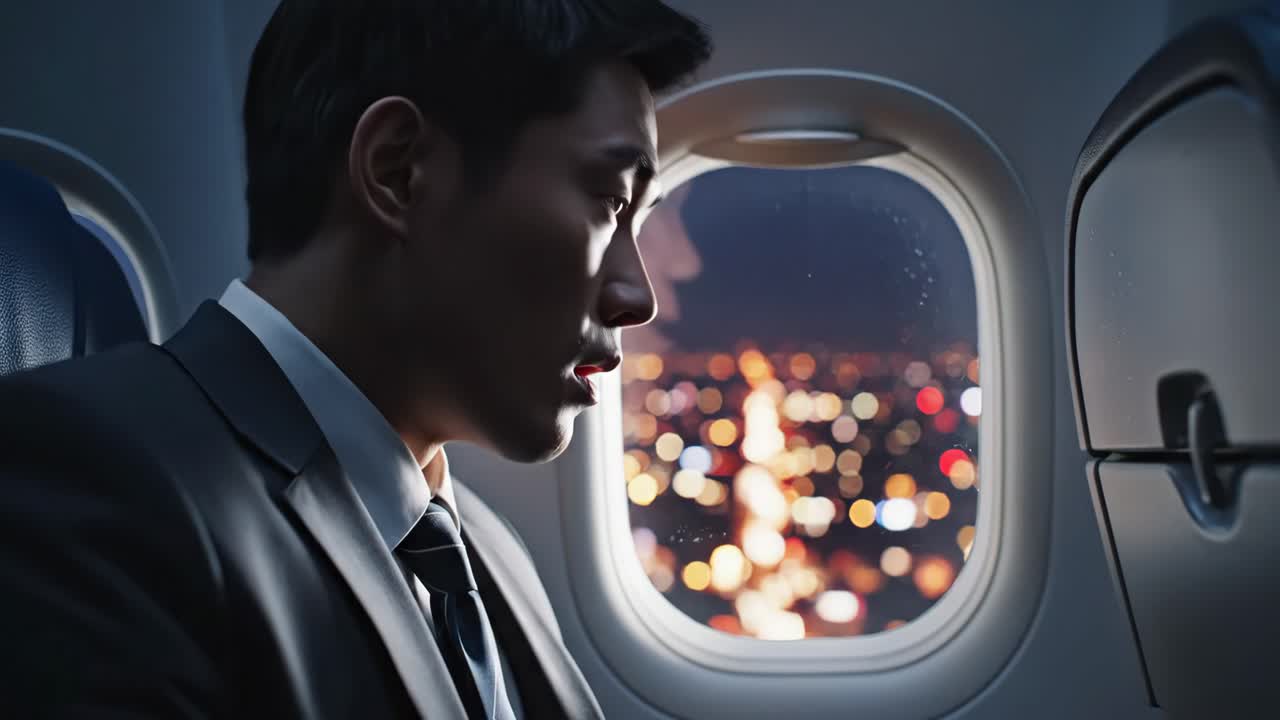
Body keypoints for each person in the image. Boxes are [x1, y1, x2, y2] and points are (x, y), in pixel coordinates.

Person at [0, 0, 711, 717]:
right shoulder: (91, 477)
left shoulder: (491, 552)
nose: (638, 297)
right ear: (399, 171)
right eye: (609, 203)